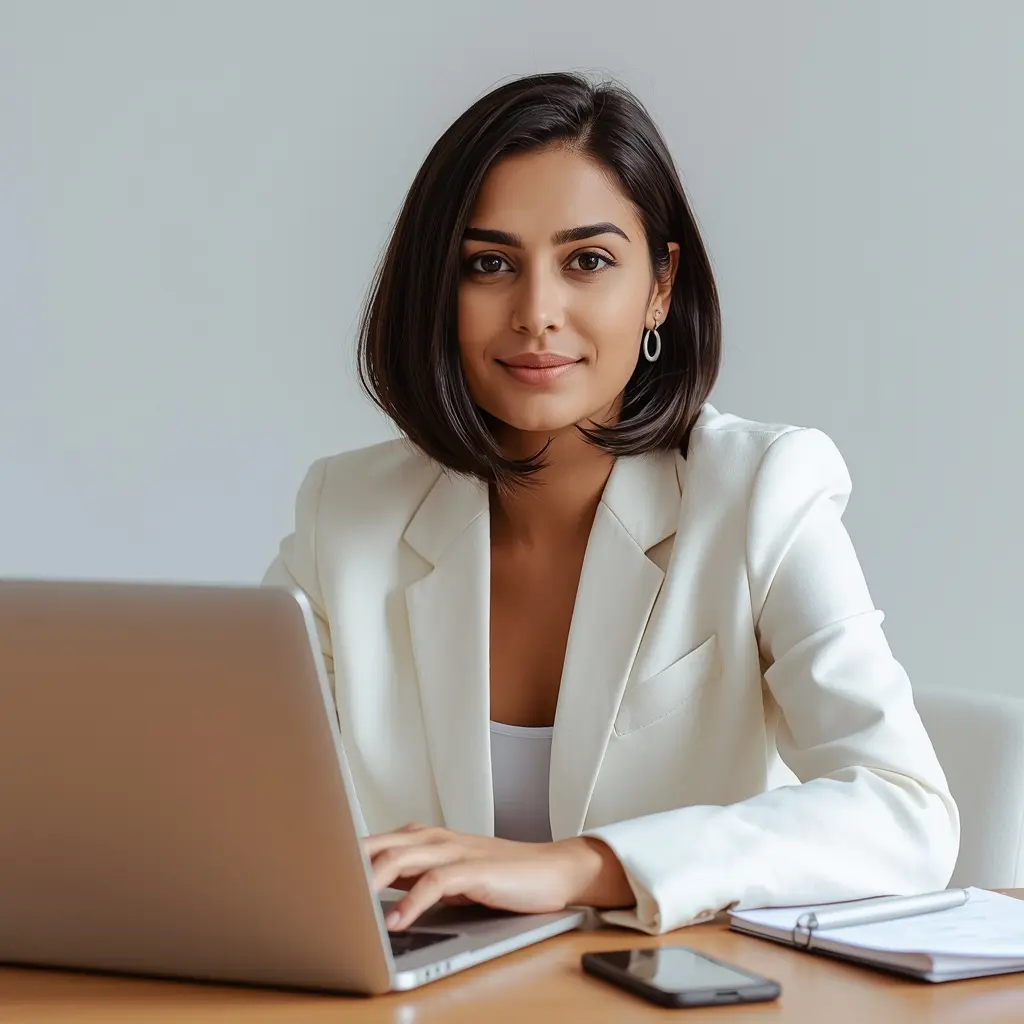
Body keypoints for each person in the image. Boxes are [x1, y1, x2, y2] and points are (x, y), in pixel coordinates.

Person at [263, 71, 959, 936]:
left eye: (586, 261)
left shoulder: (760, 491)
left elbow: (906, 812)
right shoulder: (347, 513)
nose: (536, 314)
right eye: (489, 265)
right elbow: (243, 802)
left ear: (660, 286)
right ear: (439, 293)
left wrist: (579, 867)